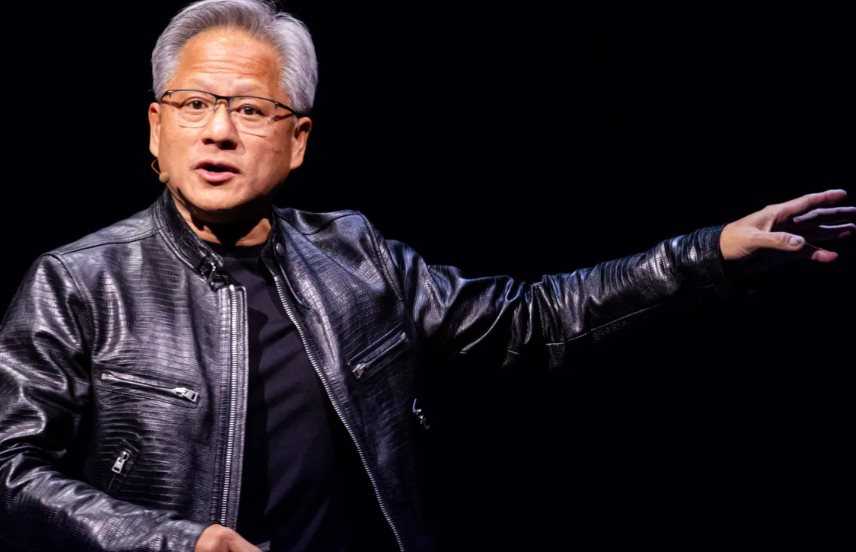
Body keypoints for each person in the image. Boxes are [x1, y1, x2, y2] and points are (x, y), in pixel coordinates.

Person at [0, 1, 853, 551]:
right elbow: (12, 471)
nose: (218, 131)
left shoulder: (355, 254)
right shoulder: (78, 282)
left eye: (251, 109)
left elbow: (529, 321)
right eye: (194, 106)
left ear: (297, 141)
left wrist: (707, 252)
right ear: (157, 129)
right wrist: (171, 542)